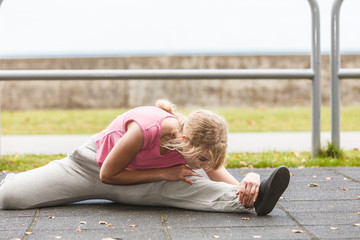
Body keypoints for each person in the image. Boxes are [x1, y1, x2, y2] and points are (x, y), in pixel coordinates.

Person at [0, 100, 290, 216]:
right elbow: (108, 176)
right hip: (90, 168)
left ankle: (254, 199)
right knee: (9, 197)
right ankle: (14, 182)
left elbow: (216, 173)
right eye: (201, 159)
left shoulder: (194, 147)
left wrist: (248, 183)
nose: (204, 167)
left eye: (207, 161)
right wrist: (164, 174)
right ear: (185, 140)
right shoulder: (145, 128)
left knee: (207, 193)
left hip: (138, 184)